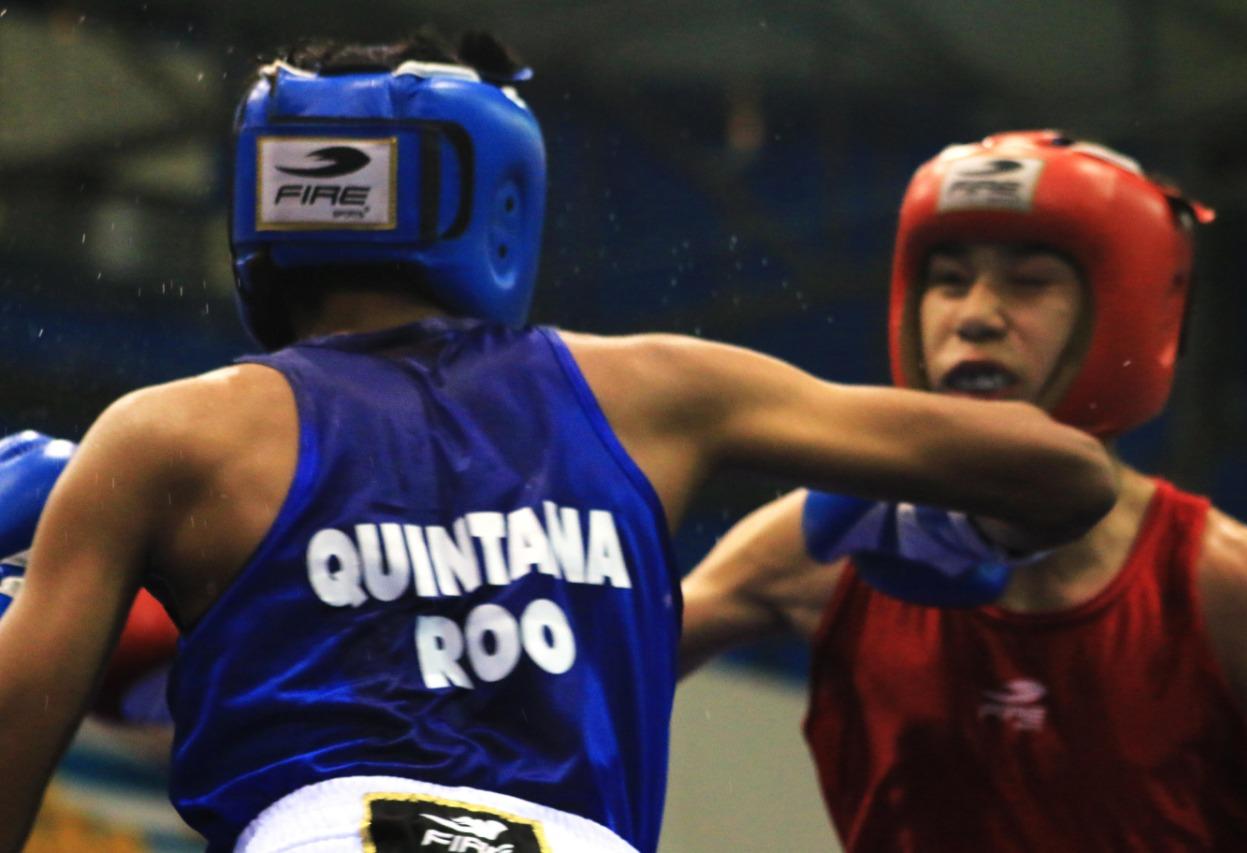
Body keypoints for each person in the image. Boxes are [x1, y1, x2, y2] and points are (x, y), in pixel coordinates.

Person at [0, 32, 1117, 853]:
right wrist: (950, 519)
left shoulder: (164, 436)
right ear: (501, 200)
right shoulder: (654, 389)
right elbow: (1065, 475)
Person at [680, 130, 1247, 850]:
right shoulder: (819, 544)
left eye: (1029, 281)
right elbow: (592, 661)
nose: (974, 316)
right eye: (950, 280)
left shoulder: (1236, 589)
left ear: (1127, 311)